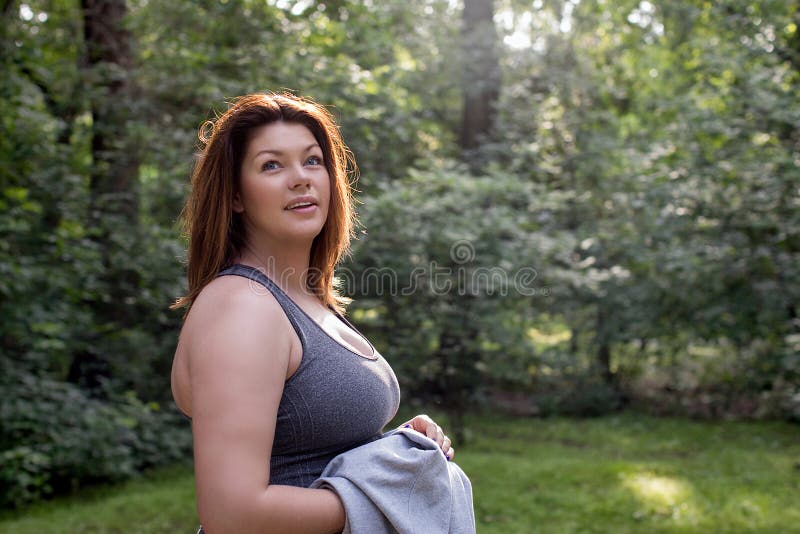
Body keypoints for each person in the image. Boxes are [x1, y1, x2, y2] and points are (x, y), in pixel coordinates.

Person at [170, 93, 456, 534]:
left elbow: (313, 456)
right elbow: (231, 515)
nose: (301, 178)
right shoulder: (241, 307)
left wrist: (396, 451)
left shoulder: (303, 298)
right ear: (235, 196)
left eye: (312, 161)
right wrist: (390, 494)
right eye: (272, 165)